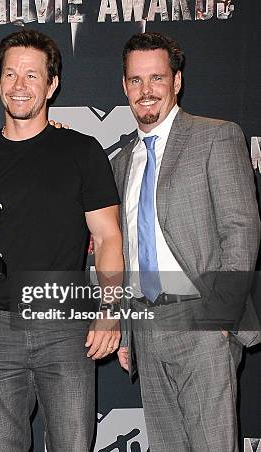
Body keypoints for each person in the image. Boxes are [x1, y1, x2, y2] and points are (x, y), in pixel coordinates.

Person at [0, 29, 123, 452]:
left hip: (65, 325)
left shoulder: (82, 151)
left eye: (31, 75)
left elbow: (109, 237)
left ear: (52, 84)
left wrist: (111, 309)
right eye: (10, 74)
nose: (19, 86)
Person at [113, 32, 261, 451]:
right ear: (125, 86)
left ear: (176, 82)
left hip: (203, 321)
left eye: (157, 78)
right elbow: (127, 252)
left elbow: (241, 228)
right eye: (136, 80)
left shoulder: (216, 136)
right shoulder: (124, 161)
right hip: (146, 326)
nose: (146, 91)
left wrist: (222, 319)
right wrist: (126, 333)